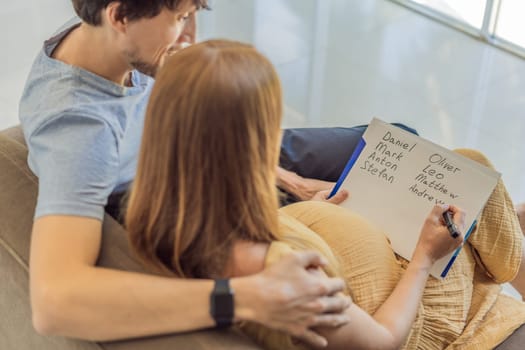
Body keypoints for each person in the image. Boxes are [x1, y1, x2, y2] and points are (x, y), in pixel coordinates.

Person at [126, 39, 525, 350]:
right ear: (252, 143)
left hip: (354, 255)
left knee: (452, 176)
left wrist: (311, 210)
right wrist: (423, 257)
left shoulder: (160, 210)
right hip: (413, 322)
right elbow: (384, 341)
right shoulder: (280, 278)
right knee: (474, 171)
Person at [21, 0, 358, 346]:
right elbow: (53, 303)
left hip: (222, 145)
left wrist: (283, 177)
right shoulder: (80, 131)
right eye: (181, 18)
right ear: (119, 16)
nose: (192, 36)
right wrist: (244, 298)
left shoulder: (106, 40)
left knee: (385, 141)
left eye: (195, 13)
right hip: (202, 176)